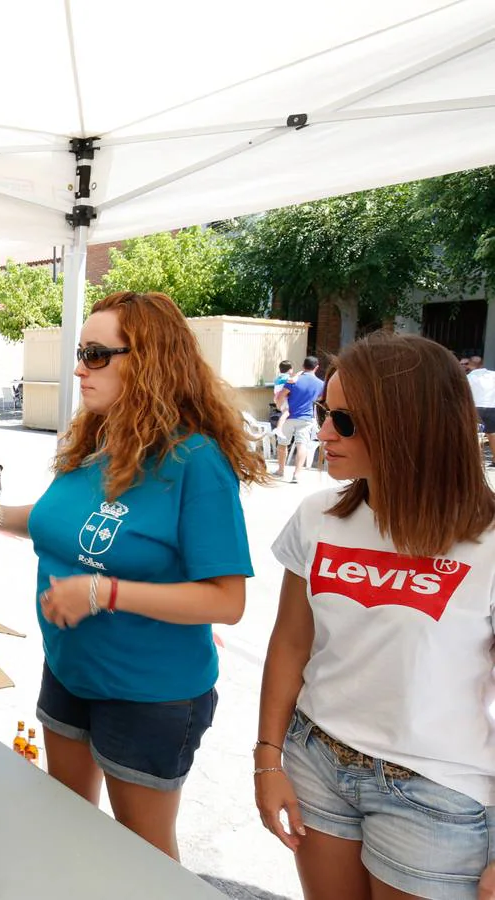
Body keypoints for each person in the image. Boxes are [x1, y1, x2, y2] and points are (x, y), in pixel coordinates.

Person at [0, 291, 266, 860]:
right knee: (69, 834)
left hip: (150, 695)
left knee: (139, 862)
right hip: (70, 673)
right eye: (80, 352)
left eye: (96, 354)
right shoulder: (97, 441)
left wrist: (104, 592)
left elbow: (226, 601)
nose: (77, 368)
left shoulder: (195, 463)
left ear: (148, 361)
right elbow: (58, 525)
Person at [255, 333, 495, 900]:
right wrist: (268, 758)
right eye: (322, 412)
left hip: (437, 788)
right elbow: (291, 643)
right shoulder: (317, 517)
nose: (323, 432)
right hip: (316, 760)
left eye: (346, 420)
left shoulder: (487, 540)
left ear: (412, 424)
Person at [275, 355, 324, 483]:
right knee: (302, 445)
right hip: (306, 418)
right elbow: (321, 399)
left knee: (282, 444)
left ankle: (281, 471)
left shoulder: (293, 380)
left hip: (289, 416)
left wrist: (280, 406)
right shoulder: (321, 384)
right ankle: (296, 474)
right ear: (317, 368)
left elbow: (282, 395)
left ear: (303, 366)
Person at [466, 354, 495, 465]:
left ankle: (478, 461)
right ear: (482, 364)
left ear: (469, 365)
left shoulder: (468, 378)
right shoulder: (493, 375)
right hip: (492, 406)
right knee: (492, 434)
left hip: (476, 408)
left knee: (477, 435)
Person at [271, 360, 297, 438]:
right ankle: (278, 429)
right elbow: (293, 380)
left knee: (285, 413)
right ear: (290, 369)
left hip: (277, 398)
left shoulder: (279, 377)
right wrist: (298, 375)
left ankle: (280, 429)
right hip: (282, 399)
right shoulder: (286, 377)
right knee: (286, 413)